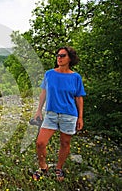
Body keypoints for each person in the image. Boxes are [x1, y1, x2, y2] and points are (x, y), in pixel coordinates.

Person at [32, 46, 86, 181]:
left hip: (69, 115)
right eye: (58, 55)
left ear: (70, 59)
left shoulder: (75, 77)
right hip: (51, 114)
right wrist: (39, 110)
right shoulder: (49, 74)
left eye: (63, 56)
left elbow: (79, 97)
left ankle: (59, 169)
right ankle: (43, 167)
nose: (59, 58)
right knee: (40, 143)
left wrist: (80, 117)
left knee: (65, 143)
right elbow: (43, 93)